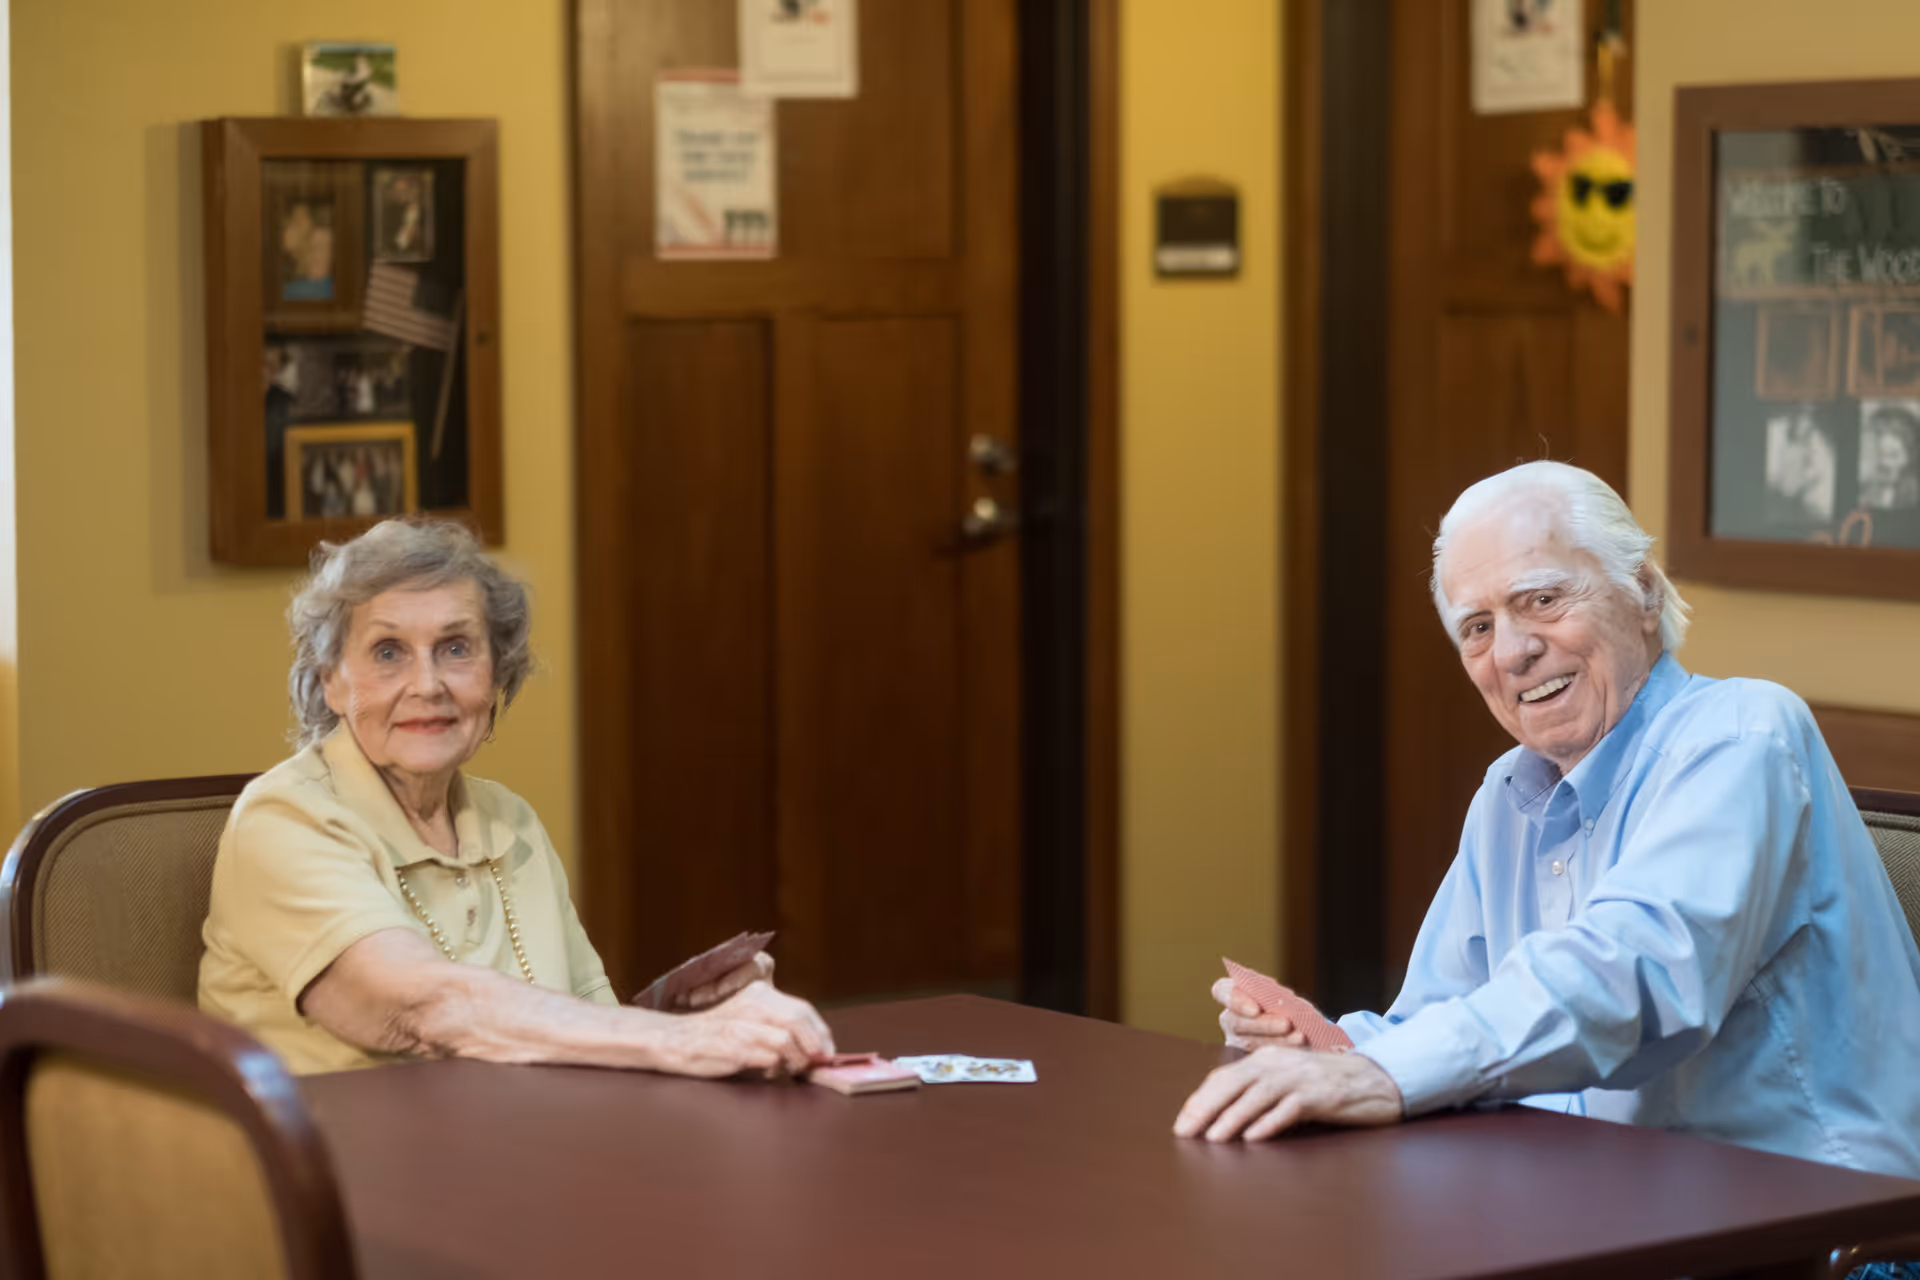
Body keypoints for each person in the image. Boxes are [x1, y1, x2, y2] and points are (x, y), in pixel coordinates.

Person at [1175, 462, 1920, 1196]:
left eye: (1541, 599)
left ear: (1644, 593)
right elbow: (1442, 1019)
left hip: (1827, 1234)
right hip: (1609, 1214)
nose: (1511, 650)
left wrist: (1384, 1073)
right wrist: (1329, 1052)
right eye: (1477, 627)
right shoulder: (1508, 794)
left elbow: (1631, 977)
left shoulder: (1743, 734)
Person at [200, 518, 835, 1076]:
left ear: (497, 672)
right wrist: (684, 1042)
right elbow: (423, 1008)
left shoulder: (510, 821)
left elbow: (590, 1019)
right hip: (351, 1178)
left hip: (518, 1158)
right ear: (331, 681)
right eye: (388, 651)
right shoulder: (285, 820)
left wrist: (692, 1011)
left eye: (456, 648)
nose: (427, 684)